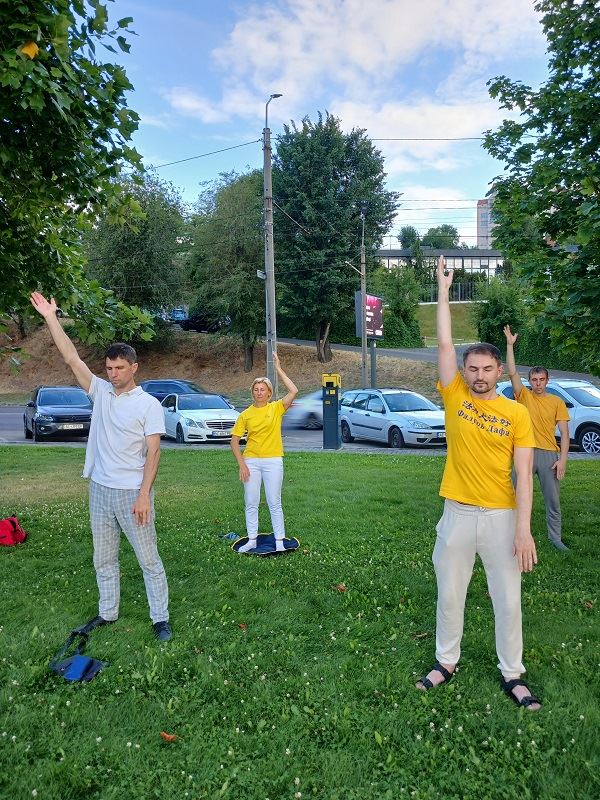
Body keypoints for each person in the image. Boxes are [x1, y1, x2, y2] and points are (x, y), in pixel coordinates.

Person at [415, 257, 541, 710]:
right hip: (457, 513)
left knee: (507, 599)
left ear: (497, 372)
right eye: (474, 368)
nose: (480, 375)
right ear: (465, 371)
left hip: (501, 517)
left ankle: (513, 672)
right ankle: (445, 662)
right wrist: (443, 291)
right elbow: (445, 343)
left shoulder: (517, 413)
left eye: (488, 369)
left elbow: (524, 475)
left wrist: (523, 530)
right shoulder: (454, 396)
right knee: (450, 594)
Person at [30, 292, 172, 641]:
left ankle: (160, 619)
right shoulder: (101, 391)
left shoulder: (148, 405)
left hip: (132, 493)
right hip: (100, 489)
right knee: (103, 558)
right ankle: (108, 612)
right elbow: (71, 358)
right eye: (109, 368)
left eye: (119, 368)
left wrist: (144, 495)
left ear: (134, 367)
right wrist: (51, 317)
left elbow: (154, 453)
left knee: (148, 559)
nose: (113, 374)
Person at [503, 325, 570, 551]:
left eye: (541, 379)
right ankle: (513, 535)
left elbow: (565, 434)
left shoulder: (557, 402)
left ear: (547, 380)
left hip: (549, 456)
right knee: (516, 497)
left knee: (553, 501)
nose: (538, 383)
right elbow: (512, 372)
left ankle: (555, 539)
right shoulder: (523, 396)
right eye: (534, 379)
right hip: (525, 453)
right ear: (530, 381)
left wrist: (563, 460)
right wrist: (510, 346)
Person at [230, 352, 298, 552]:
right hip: (251, 461)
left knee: (274, 502)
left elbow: (294, 390)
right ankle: (252, 539)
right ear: (252, 393)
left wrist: (278, 368)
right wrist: (242, 465)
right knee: (251, 502)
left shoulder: (276, 408)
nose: (259, 392)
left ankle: (279, 541)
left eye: (263, 389)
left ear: (269, 393)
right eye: (256, 389)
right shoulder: (245, 414)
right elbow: (234, 441)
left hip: (273, 461)